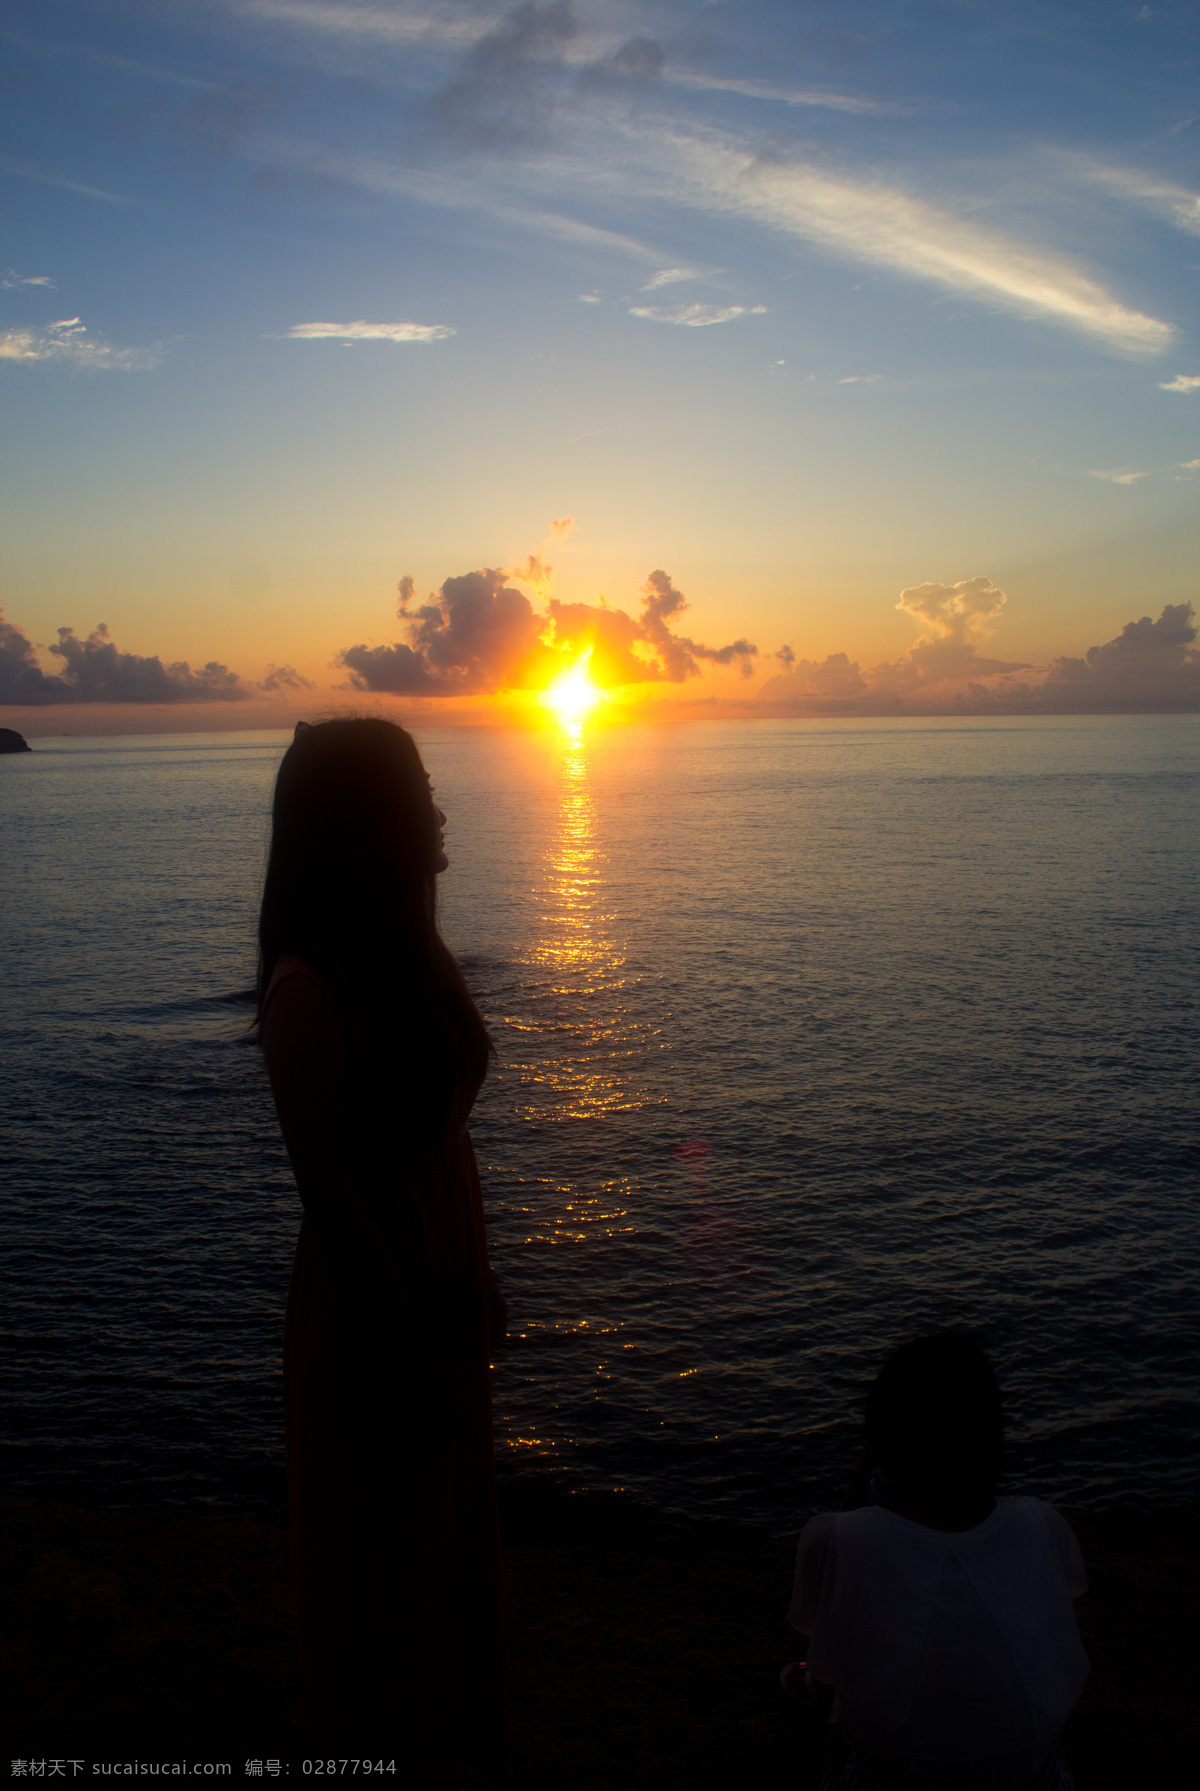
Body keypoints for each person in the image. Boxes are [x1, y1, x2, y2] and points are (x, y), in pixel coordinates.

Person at [257, 717, 506, 1775]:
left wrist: (477, 1282)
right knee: (384, 1579)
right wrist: (412, 1349)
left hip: (439, 1290)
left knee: (443, 1571)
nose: (442, 810)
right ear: (368, 823)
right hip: (381, 1318)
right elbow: (338, 1207)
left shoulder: (410, 958)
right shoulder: (308, 997)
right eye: (422, 791)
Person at [785, 1335, 1088, 1791]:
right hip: (1038, 1784)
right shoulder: (1043, 1524)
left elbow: (824, 1623)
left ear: (882, 1435)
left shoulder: (836, 1537)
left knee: (831, 1721)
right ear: (991, 1433)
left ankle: (814, 1694)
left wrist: (861, 1473)